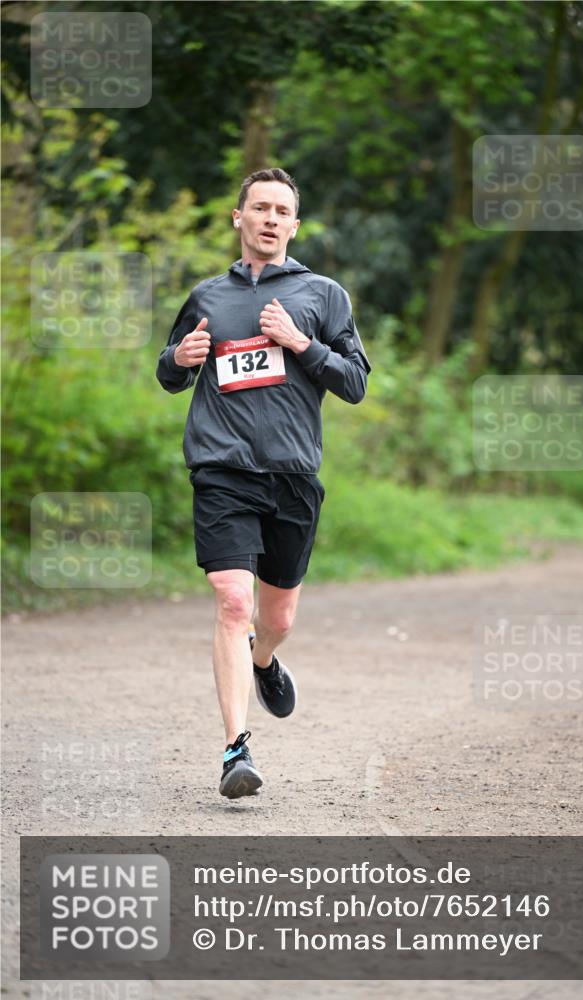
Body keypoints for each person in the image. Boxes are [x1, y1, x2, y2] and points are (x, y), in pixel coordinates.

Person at [156, 167, 371, 799]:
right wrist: (178, 360)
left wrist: (301, 343)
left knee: (277, 617)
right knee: (232, 601)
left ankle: (264, 657)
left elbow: (355, 383)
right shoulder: (207, 297)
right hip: (221, 470)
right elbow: (170, 373)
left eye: (282, 211)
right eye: (260, 208)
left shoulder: (322, 295)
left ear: (294, 226)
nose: (270, 219)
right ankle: (235, 750)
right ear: (239, 218)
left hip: (292, 475)